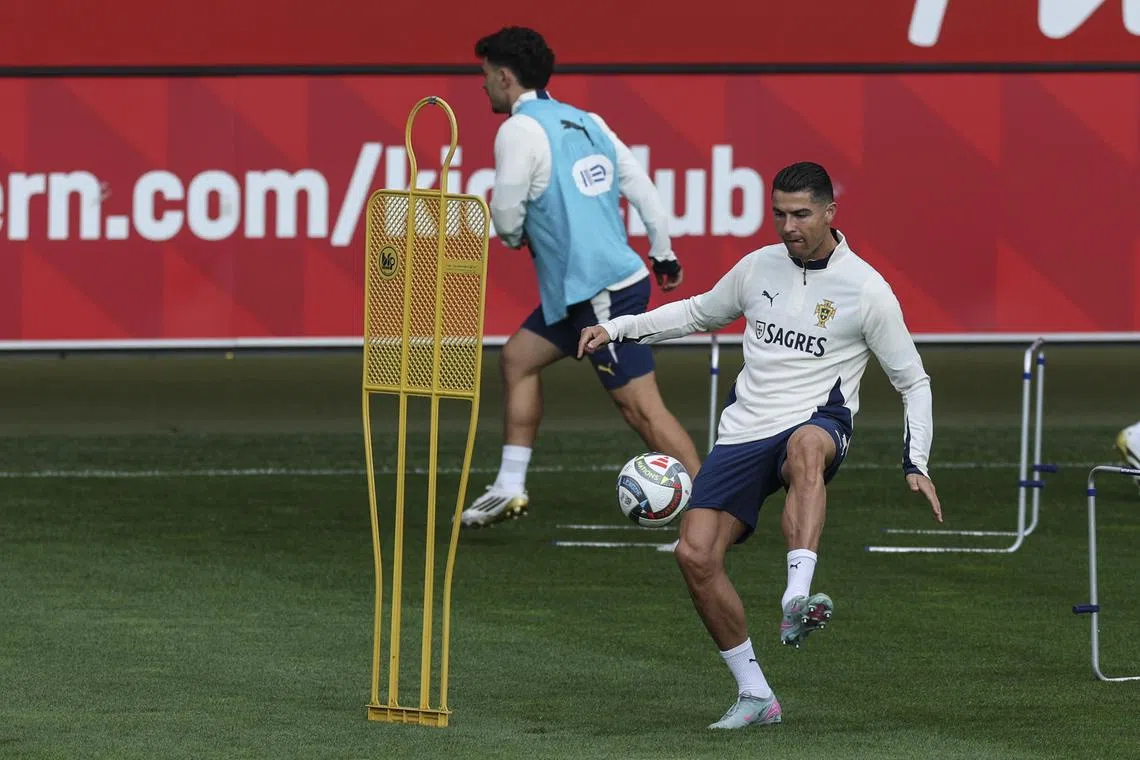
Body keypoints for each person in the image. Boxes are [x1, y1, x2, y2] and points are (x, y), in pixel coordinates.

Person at [578, 161, 943, 729]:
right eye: (779, 213)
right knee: (694, 554)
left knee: (805, 448)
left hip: (819, 420)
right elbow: (698, 312)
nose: (789, 225)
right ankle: (755, 694)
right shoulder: (757, 268)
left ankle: (796, 596)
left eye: (801, 214)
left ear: (829, 212)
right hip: (745, 427)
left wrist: (915, 459)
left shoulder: (867, 290)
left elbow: (912, 380)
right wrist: (619, 328)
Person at [460, 26, 702, 529]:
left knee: (641, 409)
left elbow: (505, 215)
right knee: (517, 359)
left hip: (600, 295)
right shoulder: (586, 120)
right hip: (591, 291)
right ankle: (509, 486)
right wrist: (664, 255)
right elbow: (643, 188)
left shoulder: (517, 131)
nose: (482, 86)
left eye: (485, 76)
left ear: (505, 76)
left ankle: (712, 507)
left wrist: (511, 236)